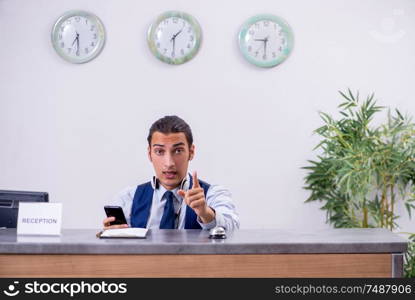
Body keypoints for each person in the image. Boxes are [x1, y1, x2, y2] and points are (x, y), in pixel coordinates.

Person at [103, 115, 239, 231]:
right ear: (149, 153)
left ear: (191, 152)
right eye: (159, 151)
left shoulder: (213, 194)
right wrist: (111, 236)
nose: (169, 163)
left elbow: (233, 229)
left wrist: (206, 213)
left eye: (178, 151)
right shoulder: (128, 198)